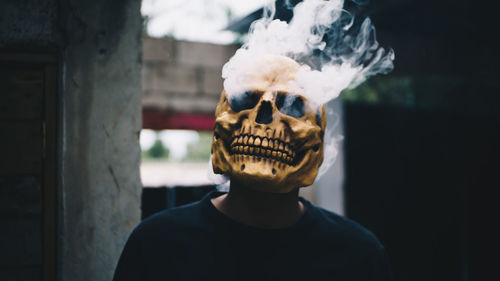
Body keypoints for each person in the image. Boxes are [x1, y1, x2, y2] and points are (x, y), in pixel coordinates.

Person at [113, 55, 392, 281]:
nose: (264, 115)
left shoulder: (358, 256)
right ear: (221, 122)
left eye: (291, 106)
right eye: (246, 100)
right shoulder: (156, 245)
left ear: (316, 139)